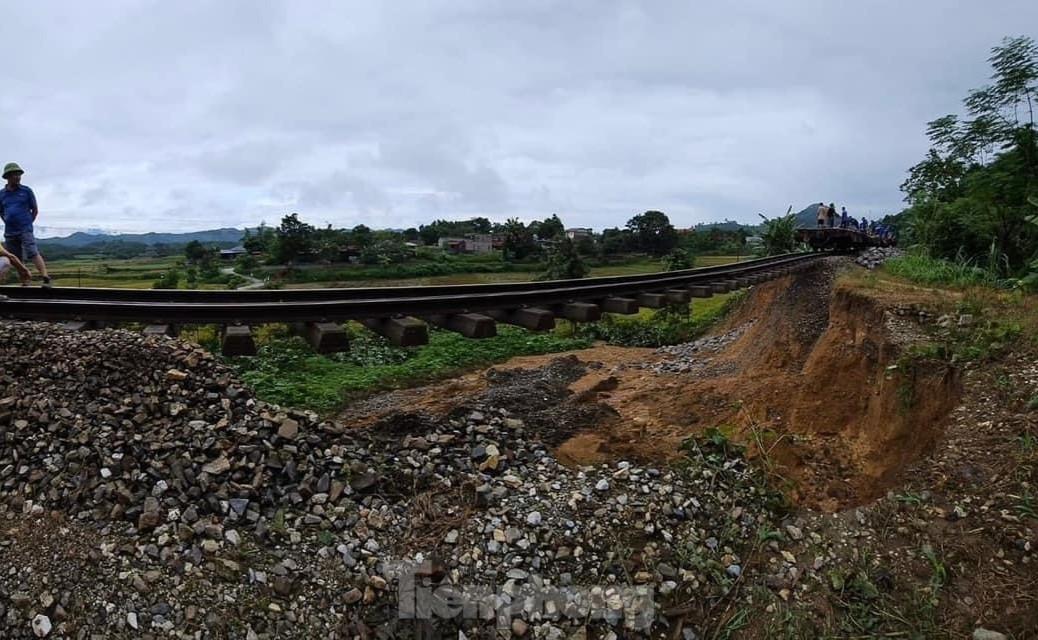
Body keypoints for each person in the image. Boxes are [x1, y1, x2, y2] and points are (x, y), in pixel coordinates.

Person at [0, 162, 51, 286]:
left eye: (19, 174)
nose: (17, 177)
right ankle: (25, 282)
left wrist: (28, 223)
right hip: (10, 231)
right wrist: (7, 221)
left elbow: (35, 210)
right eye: (14, 175)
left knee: (32, 251)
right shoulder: (1, 194)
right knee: (15, 257)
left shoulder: (26, 191)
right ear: (7, 177)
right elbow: (1, 211)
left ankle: (45, 277)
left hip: (25, 229)